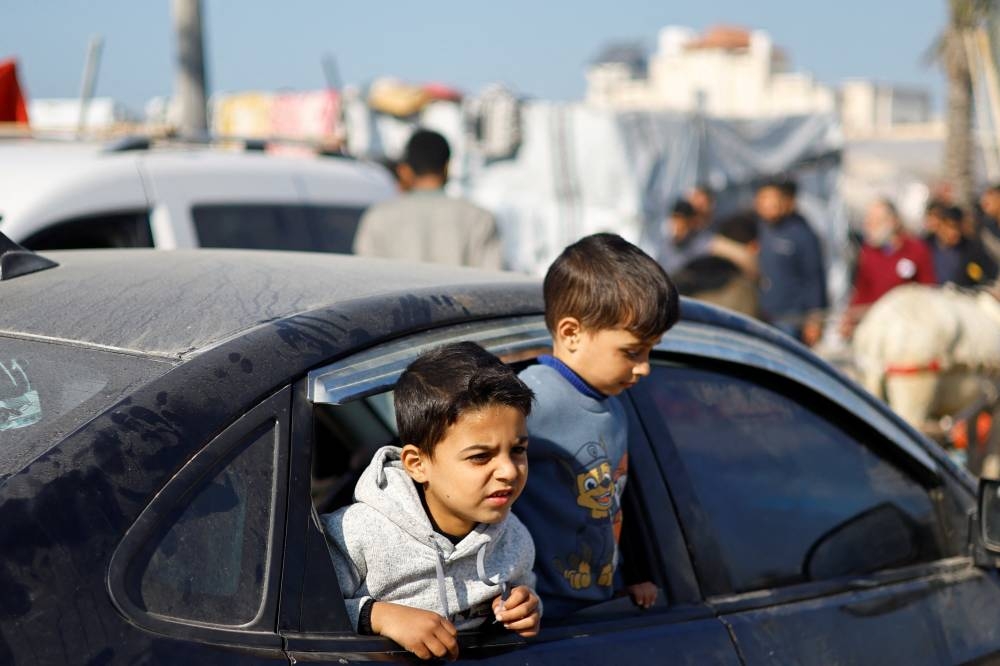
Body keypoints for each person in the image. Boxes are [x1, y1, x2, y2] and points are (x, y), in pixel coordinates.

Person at [321, 341, 540, 661]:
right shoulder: (357, 534)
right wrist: (379, 616)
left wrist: (528, 607)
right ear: (417, 464)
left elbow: (527, 592)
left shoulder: (514, 536)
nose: (508, 470)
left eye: (518, 450)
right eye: (480, 457)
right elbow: (301, 616)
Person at [513, 233, 680, 620]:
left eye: (650, 351)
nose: (644, 367)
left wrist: (634, 573)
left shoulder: (616, 404)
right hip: (539, 616)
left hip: (599, 607)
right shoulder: (527, 403)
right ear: (572, 334)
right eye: (632, 351)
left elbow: (618, 502)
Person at [353, 129, 503, 269]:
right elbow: (492, 281)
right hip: (458, 298)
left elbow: (368, 278)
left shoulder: (378, 217)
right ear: (447, 167)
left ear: (406, 170)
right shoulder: (479, 218)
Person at [841, 199, 936, 337]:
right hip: (876, 329)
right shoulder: (868, 254)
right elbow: (861, 292)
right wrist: (850, 319)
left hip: (909, 329)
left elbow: (928, 290)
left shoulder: (916, 250)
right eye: (868, 221)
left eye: (875, 222)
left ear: (892, 221)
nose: (869, 226)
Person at [755, 177, 827, 345]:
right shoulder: (761, 229)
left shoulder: (802, 234)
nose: (764, 204)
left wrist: (814, 320)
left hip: (791, 319)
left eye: (770, 198)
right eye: (762, 198)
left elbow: (814, 279)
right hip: (763, 316)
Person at [930, 205, 998, 288]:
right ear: (940, 225)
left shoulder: (972, 249)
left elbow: (991, 275)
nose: (955, 233)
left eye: (958, 228)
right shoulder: (926, 246)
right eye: (951, 226)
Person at [658, 198, 712, 273]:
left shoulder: (698, 241)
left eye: (681, 222)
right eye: (675, 219)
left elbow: (722, 246)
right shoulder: (663, 243)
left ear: (690, 222)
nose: (677, 226)